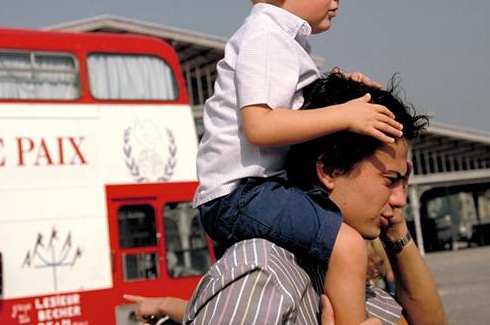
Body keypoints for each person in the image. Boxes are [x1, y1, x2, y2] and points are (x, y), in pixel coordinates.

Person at [194, 0, 403, 325]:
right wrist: (346, 115)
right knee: (346, 245)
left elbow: (296, 109)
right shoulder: (265, 39)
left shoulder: (283, 42)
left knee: (334, 240)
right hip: (239, 194)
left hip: (258, 190)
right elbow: (262, 125)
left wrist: (345, 89)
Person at [183, 73, 447, 324]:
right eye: (390, 180)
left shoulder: (333, 268)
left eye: (405, 181)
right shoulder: (261, 272)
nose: (400, 199)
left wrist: (396, 231)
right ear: (329, 170)